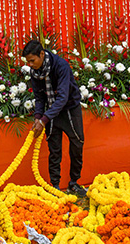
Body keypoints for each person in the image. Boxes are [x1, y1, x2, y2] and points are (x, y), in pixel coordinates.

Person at [23, 40, 86, 197]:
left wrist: (44, 119)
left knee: (77, 144)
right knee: (54, 149)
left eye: (32, 60)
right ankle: (55, 186)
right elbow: (39, 98)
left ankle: (74, 183)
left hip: (69, 109)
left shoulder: (61, 66)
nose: (30, 64)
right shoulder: (34, 72)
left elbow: (63, 97)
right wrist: (38, 117)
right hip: (50, 111)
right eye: (27, 61)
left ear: (42, 54)